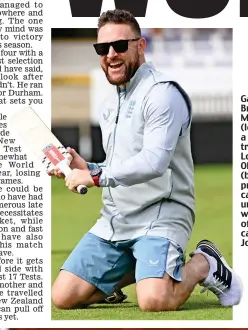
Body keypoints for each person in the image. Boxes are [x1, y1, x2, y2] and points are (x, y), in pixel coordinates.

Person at [51, 9, 242, 311]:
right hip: (117, 219)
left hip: (162, 214)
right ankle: (135, 271)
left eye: (120, 46)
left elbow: (154, 162)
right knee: (63, 297)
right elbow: (121, 163)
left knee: (154, 300)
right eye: (103, 48)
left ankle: (205, 263)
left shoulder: (162, 94)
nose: (111, 55)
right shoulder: (108, 104)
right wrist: (88, 167)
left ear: (140, 46)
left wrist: (97, 178)